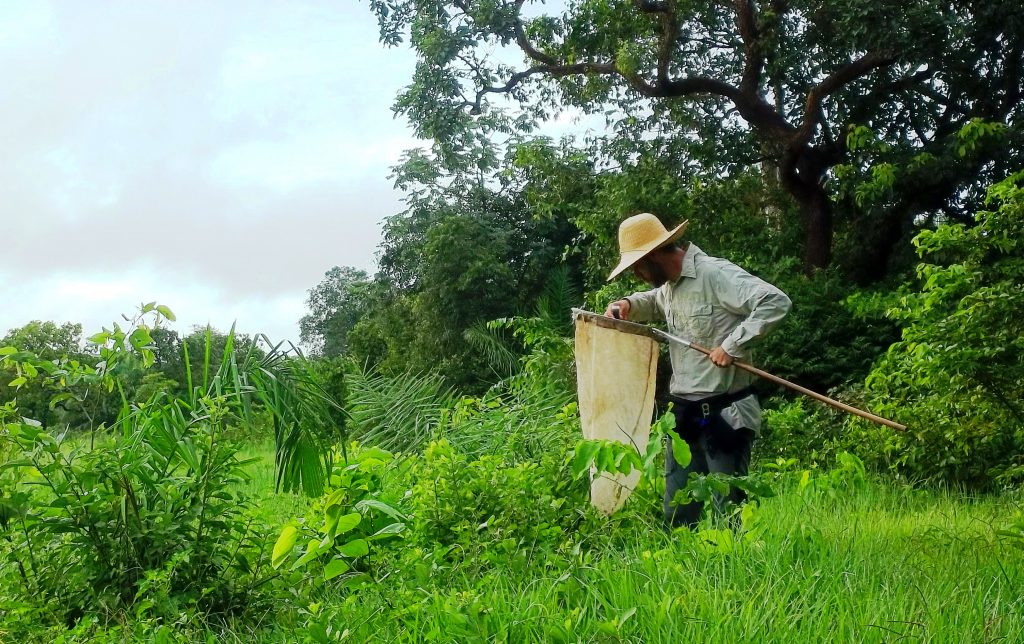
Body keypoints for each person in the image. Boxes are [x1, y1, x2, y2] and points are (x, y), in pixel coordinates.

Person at [604, 212, 791, 527]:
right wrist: (628, 304)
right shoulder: (669, 286)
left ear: (653, 256)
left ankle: (734, 573)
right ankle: (682, 572)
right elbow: (654, 301)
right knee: (677, 512)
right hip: (685, 415)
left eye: (637, 265)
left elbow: (775, 301)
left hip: (726, 414)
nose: (637, 273)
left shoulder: (714, 274)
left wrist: (732, 345)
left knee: (727, 513)